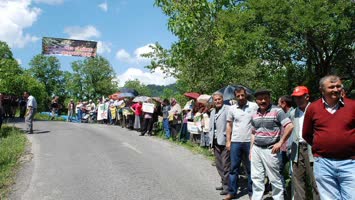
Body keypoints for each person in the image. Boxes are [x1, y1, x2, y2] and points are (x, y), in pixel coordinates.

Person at [303, 75, 355, 200]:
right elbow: (306, 134)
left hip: (350, 162)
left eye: (338, 86)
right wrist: (322, 146)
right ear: (322, 90)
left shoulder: (352, 106)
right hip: (323, 163)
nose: (336, 89)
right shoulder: (313, 108)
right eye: (331, 87)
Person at [250, 89, 294, 200]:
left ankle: (278, 198)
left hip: (271, 149)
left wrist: (280, 142)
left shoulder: (277, 111)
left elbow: (289, 126)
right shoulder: (254, 114)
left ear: (269, 98)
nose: (263, 100)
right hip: (256, 148)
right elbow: (253, 133)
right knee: (256, 177)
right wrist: (251, 150)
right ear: (256, 101)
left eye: (265, 98)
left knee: (274, 178)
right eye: (260, 99)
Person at [225, 87, 258, 200]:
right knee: (234, 168)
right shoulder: (232, 108)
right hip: (236, 142)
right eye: (238, 96)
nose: (240, 98)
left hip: (250, 142)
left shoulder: (254, 106)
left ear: (246, 95)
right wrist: (228, 141)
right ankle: (232, 192)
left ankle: (252, 192)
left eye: (242, 95)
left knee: (251, 168)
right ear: (235, 97)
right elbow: (229, 125)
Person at [288, 86, 320, 200]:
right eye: (295, 97)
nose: (298, 100)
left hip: (313, 148)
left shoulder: (316, 109)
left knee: (316, 180)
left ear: (307, 97)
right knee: (297, 180)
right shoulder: (293, 113)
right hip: (297, 148)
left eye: (300, 97)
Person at [209, 92, 230, 196]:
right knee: (219, 164)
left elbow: (231, 125)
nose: (217, 101)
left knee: (226, 165)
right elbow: (211, 127)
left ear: (222, 99)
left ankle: (227, 187)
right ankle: (223, 182)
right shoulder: (212, 111)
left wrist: (229, 139)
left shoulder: (228, 109)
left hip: (225, 141)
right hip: (215, 141)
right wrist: (210, 141)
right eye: (215, 100)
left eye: (219, 99)